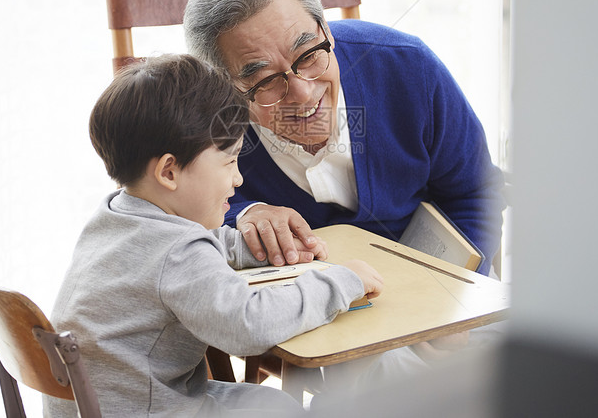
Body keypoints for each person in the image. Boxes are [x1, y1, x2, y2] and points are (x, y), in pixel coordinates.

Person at [45, 55, 383, 418]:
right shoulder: (177, 253)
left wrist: (259, 247)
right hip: (148, 409)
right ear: (169, 173)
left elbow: (194, 248)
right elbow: (250, 325)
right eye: (230, 161)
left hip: (106, 406)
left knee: (276, 405)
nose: (238, 180)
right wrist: (339, 282)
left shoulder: (118, 213)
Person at [183, 0, 506, 276]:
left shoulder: (409, 67)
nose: (303, 93)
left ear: (326, 31)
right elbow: (159, 211)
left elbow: (476, 193)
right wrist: (241, 212)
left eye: (308, 55)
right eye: (265, 80)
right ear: (225, 88)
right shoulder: (200, 116)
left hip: (436, 286)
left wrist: (452, 300)